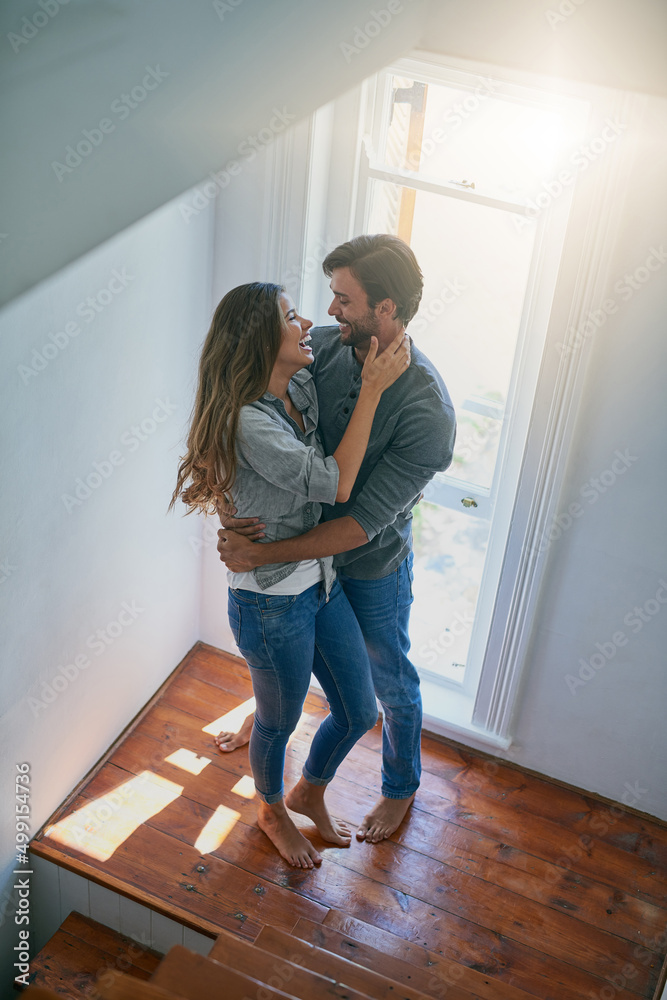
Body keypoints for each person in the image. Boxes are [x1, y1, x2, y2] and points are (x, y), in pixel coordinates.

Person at [217, 235, 456, 843]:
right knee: (287, 666)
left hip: (367, 563)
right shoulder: (318, 350)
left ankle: (400, 787)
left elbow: (354, 522)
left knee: (389, 682)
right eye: (329, 296)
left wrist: (259, 554)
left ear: (388, 311)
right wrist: (229, 509)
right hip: (300, 570)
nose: (328, 312)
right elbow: (237, 421)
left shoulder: (428, 412)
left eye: (343, 299)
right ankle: (272, 724)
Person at [170, 281, 410, 868]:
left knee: (359, 709)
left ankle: (310, 790)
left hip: (320, 581)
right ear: (260, 339)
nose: (308, 323)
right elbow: (335, 483)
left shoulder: (296, 383)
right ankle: (271, 808)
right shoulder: (251, 422)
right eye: (290, 316)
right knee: (277, 722)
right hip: (270, 602)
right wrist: (374, 391)